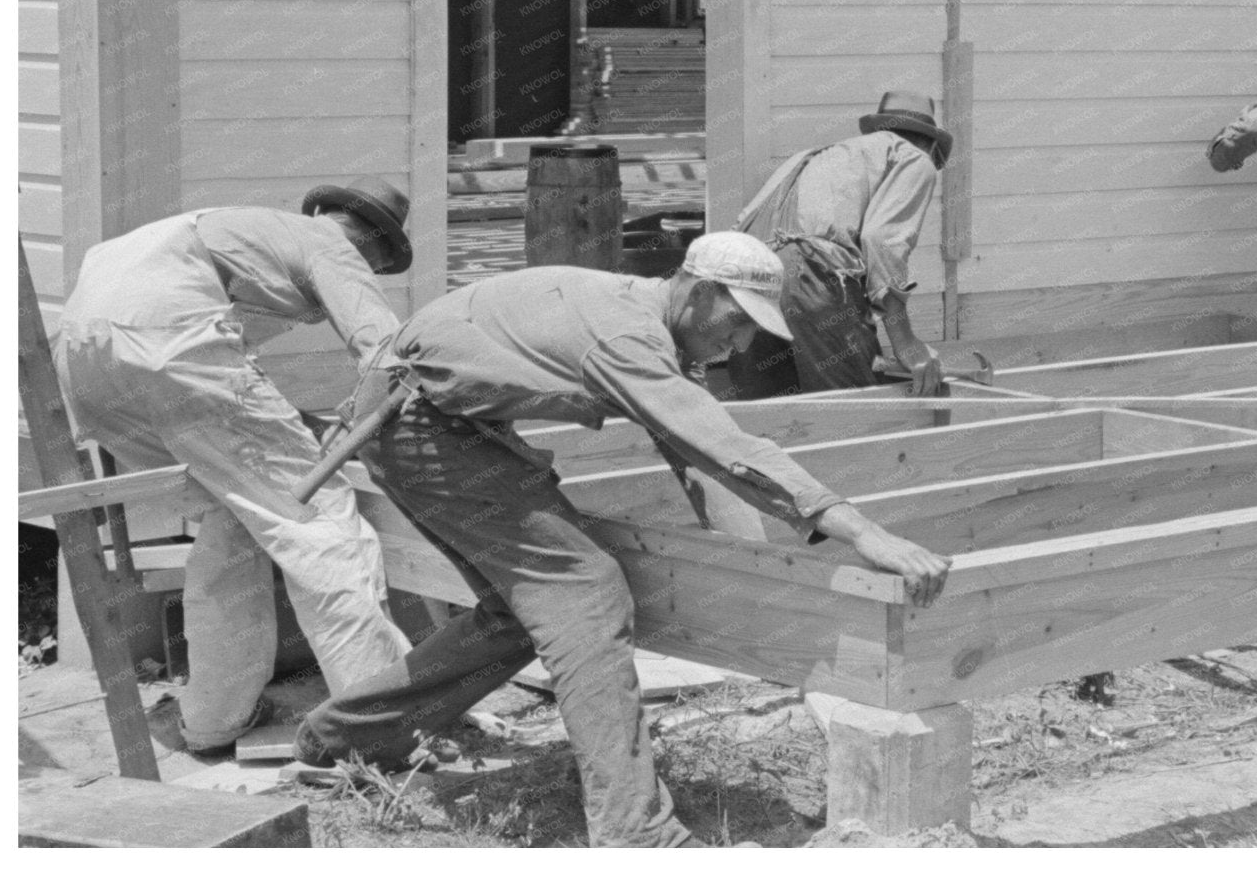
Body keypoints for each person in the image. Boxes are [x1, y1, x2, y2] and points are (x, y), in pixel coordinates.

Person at [293, 232, 952, 848]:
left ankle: (343, 738)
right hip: (421, 424)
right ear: (698, 292)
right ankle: (635, 830)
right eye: (738, 320)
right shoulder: (628, 337)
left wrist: (761, 575)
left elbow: (693, 453)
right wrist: (861, 530)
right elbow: (729, 449)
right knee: (586, 589)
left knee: (519, 610)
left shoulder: (647, 320)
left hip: (433, 416)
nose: (744, 343)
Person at [52, 178, 418, 753]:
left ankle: (214, 719)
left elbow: (201, 367)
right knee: (320, 523)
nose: (372, 268)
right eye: (380, 260)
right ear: (369, 241)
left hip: (82, 358)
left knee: (236, 513)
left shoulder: (224, 226)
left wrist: (291, 424)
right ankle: (379, 726)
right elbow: (386, 355)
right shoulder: (330, 244)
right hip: (170, 341)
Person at [730, 91, 952, 398]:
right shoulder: (915, 158)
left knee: (769, 413)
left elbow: (745, 219)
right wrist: (906, 343)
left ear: (879, 130)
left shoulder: (814, 155)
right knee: (852, 412)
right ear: (929, 143)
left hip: (748, 276)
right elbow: (882, 241)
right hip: (811, 276)